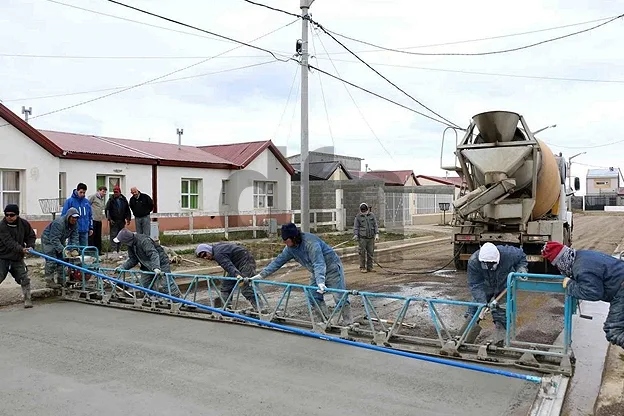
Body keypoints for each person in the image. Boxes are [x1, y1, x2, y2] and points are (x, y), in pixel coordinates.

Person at [253, 223, 352, 325]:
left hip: (332, 269)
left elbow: (319, 263)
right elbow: (278, 262)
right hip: (316, 271)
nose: (285, 243)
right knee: (313, 296)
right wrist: (261, 275)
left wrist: (320, 281)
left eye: (287, 240)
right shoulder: (290, 249)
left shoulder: (311, 244)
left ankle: (348, 323)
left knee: (339, 296)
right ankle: (326, 321)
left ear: (294, 237)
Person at [542, 241, 624, 349]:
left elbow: (593, 293)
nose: (559, 269)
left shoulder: (581, 268)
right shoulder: (580, 256)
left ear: (561, 261)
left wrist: (570, 285)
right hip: (620, 285)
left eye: (557, 265)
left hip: (621, 290)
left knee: (613, 331)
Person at [463, 242, 528, 344]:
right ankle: (463, 337)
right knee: (475, 308)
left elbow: (522, 257)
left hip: (503, 285)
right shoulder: (474, 261)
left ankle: (500, 340)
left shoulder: (509, 254)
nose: (490, 266)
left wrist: (521, 269)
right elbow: (475, 284)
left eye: (492, 264)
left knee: (501, 312)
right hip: (485, 286)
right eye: (487, 265)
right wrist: (483, 303)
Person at [113, 228, 181, 298]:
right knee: (145, 285)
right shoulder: (131, 245)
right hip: (146, 265)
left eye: (122, 242)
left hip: (161, 263)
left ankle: (176, 300)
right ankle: (153, 299)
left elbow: (153, 254)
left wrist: (156, 267)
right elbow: (133, 259)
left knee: (166, 283)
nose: (122, 244)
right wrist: (122, 267)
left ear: (126, 240)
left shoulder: (144, 241)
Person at [196, 243, 259, 310]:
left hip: (246, 261)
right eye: (203, 257)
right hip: (237, 263)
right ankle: (227, 307)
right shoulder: (216, 249)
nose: (206, 257)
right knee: (226, 286)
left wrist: (237, 275)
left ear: (207, 250)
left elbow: (227, 265)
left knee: (245, 286)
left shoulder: (218, 254)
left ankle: (260, 309)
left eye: (205, 254)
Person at [0, 204, 36, 308]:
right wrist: (22, 249)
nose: (9, 217)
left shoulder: (24, 224)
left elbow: (31, 236)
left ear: (17, 215)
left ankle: (27, 299)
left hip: (17, 258)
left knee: (24, 278)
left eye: (12, 215)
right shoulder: (2, 226)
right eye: (7, 215)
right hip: (2, 256)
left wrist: (30, 246)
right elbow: (9, 242)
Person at [41, 207, 80, 288]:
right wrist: (63, 250)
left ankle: (61, 281)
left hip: (60, 239)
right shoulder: (59, 223)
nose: (74, 220)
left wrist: (74, 248)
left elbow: (75, 237)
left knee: (62, 260)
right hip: (48, 239)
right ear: (68, 216)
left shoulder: (75, 224)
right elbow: (54, 239)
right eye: (73, 218)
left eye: (76, 218)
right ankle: (49, 281)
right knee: (51, 259)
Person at [61, 182, 93, 247]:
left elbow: (90, 215)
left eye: (84, 192)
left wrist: (91, 227)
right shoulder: (70, 201)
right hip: (73, 229)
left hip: (84, 230)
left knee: (84, 248)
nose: (82, 194)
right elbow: (64, 215)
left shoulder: (86, 202)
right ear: (77, 190)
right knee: (73, 248)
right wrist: (66, 227)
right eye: (81, 192)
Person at [105, 185, 131, 258]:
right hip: (114, 220)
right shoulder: (111, 200)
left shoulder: (124, 199)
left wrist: (128, 218)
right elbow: (107, 210)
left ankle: (118, 249)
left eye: (116, 192)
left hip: (121, 220)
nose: (115, 193)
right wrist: (109, 219)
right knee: (113, 235)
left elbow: (127, 210)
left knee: (121, 235)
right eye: (114, 192)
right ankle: (113, 249)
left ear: (119, 192)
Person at [353, 202, 379, 273]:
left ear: (367, 209)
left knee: (370, 253)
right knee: (362, 253)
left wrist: (376, 234)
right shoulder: (358, 217)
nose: (364, 212)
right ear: (360, 210)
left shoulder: (372, 215)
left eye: (365, 210)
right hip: (362, 238)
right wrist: (356, 234)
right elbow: (356, 227)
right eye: (362, 211)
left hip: (371, 238)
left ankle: (370, 267)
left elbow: (375, 225)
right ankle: (362, 267)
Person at [88, 185, 107, 253]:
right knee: (92, 236)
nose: (104, 193)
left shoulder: (102, 199)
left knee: (98, 236)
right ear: (99, 191)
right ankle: (92, 250)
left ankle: (98, 250)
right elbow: (87, 204)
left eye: (105, 192)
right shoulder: (93, 197)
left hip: (99, 219)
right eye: (103, 191)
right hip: (93, 219)